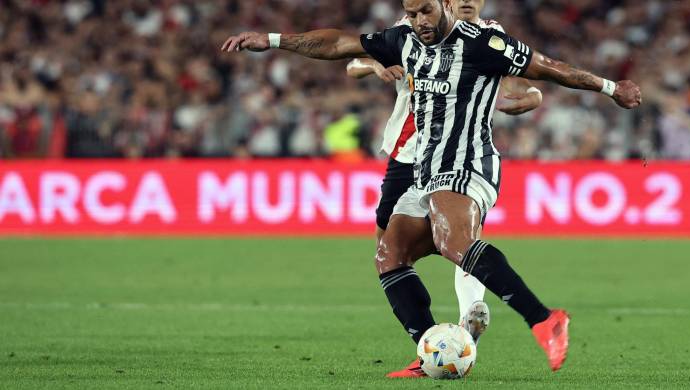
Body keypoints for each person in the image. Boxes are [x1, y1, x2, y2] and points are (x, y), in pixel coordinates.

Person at [221, 0, 641, 374]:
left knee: (452, 239)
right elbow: (339, 46)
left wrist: (609, 88)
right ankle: (432, 352)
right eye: (411, 12)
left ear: (444, 6)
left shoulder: (483, 43)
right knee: (389, 255)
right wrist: (273, 39)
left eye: (425, 11)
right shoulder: (402, 38)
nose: (419, 20)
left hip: (468, 161)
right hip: (422, 167)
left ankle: (543, 319)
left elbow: (548, 68)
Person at [345, 0, 543, 377]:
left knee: (459, 236)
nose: (466, 1)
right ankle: (434, 347)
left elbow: (525, 80)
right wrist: (376, 65)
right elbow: (353, 61)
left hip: (455, 155)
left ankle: (466, 324)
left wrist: (532, 97)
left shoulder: (490, 35)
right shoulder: (412, 27)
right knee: (388, 248)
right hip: (406, 153)